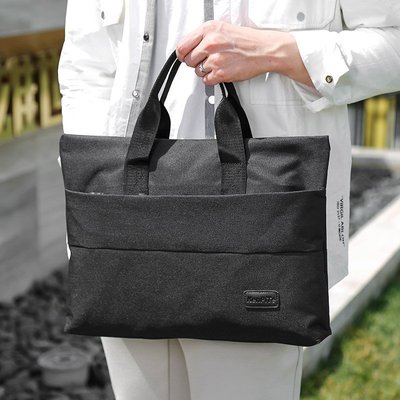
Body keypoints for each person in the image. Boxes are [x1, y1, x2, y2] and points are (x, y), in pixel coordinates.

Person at [58, 1, 400, 399]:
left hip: (260, 234)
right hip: (123, 233)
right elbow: (85, 66)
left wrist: (276, 51)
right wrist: (93, 190)